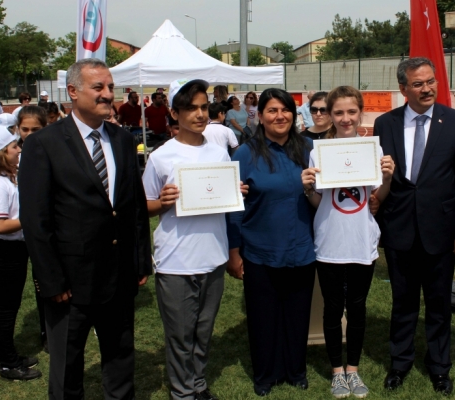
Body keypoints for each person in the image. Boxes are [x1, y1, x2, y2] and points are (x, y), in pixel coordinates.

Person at [18, 58, 152, 400]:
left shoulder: (123, 140)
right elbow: (36, 220)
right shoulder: (43, 144)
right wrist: (50, 279)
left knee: (121, 358)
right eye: (99, 88)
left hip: (119, 275)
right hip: (70, 282)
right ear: (73, 92)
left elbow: (133, 207)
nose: (108, 94)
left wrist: (139, 260)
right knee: (67, 368)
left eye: (110, 87)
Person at [373, 57, 455, 396]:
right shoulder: (385, 123)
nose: (427, 88)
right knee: (402, 304)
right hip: (400, 229)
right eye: (418, 84)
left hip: (441, 232)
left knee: (438, 305)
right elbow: (380, 176)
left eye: (430, 81)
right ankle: (399, 364)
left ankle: (439, 368)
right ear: (404, 88)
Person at [143, 79, 246, 400]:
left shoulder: (219, 153)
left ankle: (198, 384)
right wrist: (163, 202)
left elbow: (227, 203)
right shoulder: (162, 157)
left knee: (203, 330)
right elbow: (143, 205)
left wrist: (236, 191)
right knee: (180, 333)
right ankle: (182, 392)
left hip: (212, 256)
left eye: (203, 107)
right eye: (191, 108)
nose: (199, 114)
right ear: (174, 113)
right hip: (176, 259)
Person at [301, 86, 395, 399]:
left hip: (361, 239)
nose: (345, 118)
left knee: (356, 307)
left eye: (351, 112)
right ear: (329, 114)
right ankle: (335, 371)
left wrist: (389, 178)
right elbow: (318, 203)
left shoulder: (372, 150)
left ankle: (352, 370)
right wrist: (308, 188)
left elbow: (375, 200)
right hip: (330, 240)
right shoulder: (318, 151)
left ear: (360, 113)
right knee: (332, 309)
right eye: (338, 112)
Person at [227, 88, 316, 397]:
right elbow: (234, 205)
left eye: (286, 110)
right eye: (272, 111)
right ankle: (265, 374)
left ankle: (295, 370)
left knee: (297, 313)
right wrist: (234, 250)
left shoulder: (309, 148)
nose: (280, 116)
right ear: (260, 116)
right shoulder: (245, 153)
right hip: (260, 249)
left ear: (293, 114)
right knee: (263, 316)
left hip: (302, 247)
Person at [0, 124, 43, 381]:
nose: (19, 150)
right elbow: (0, 225)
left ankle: (5, 352)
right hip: (2, 253)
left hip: (11, 252)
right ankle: (7, 363)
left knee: (8, 308)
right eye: (14, 146)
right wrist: (31, 218)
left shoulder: (6, 180)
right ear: (1, 154)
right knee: (5, 311)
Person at [15, 105, 49, 351]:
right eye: (24, 129)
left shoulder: (50, 152)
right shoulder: (9, 154)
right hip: (16, 235)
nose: (29, 134)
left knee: (46, 281)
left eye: (35, 129)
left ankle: (49, 331)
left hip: (43, 232)